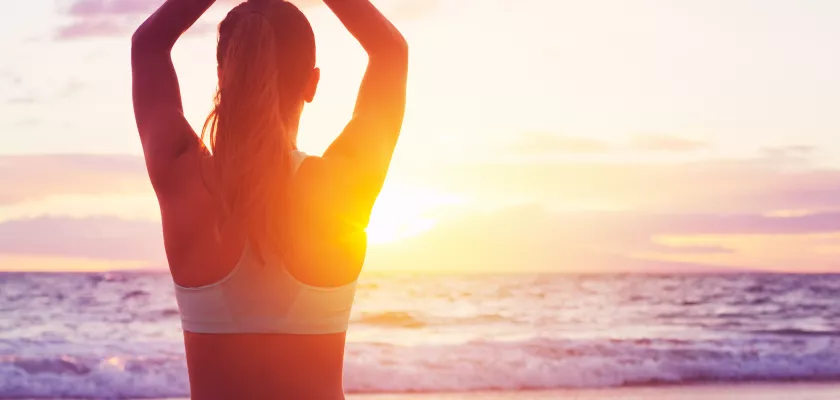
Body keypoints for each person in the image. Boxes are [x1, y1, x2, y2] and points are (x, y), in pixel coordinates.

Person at [130, 0, 408, 398]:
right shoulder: (342, 184)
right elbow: (391, 52)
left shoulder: (182, 175)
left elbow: (148, 46)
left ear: (222, 78)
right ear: (312, 84)